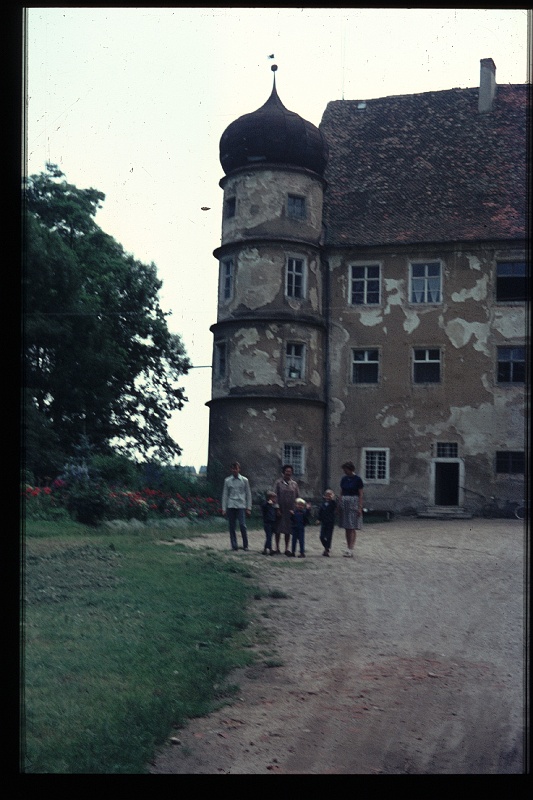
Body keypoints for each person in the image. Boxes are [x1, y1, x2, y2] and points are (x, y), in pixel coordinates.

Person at [221, 461, 252, 551]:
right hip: (231, 505)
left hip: (241, 505)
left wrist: (248, 507)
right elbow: (225, 495)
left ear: (239, 469)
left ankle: (245, 545)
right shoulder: (227, 481)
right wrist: (224, 508)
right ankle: (234, 545)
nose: (235, 470)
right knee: (232, 526)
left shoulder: (244, 480)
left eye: (236, 468)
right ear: (231, 469)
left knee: (242, 525)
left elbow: (248, 494)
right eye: (233, 468)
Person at [273, 464, 300, 555]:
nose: (288, 473)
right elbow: (274, 496)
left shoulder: (294, 484)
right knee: (278, 529)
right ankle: (277, 547)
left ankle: (287, 548)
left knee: (288, 530)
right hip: (280, 509)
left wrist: (296, 509)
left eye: (290, 472)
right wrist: (277, 508)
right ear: (283, 472)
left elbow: (297, 497)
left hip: (290, 510)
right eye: (286, 471)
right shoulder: (278, 483)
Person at [339, 461, 364, 558]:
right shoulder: (344, 479)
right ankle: (347, 546)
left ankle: (351, 548)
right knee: (346, 526)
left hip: (354, 501)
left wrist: (360, 507)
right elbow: (341, 492)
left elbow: (361, 494)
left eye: (346, 469)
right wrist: (339, 504)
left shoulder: (358, 479)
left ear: (350, 469)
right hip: (345, 502)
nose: (344, 471)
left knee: (352, 526)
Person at [316, 489, 337, 556]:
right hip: (324, 522)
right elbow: (320, 513)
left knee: (328, 536)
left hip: (330, 522)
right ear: (324, 496)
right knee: (322, 536)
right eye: (327, 496)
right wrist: (319, 519)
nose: (328, 497)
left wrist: (333, 498)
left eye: (329, 495)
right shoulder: (322, 504)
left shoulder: (332, 503)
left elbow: (335, 505)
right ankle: (326, 547)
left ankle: (327, 549)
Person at [261, 491, 278, 555]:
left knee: (270, 536)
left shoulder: (274, 505)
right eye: (273, 498)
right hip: (267, 522)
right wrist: (268, 504)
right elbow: (263, 508)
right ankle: (270, 549)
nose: (275, 500)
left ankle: (265, 549)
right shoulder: (265, 504)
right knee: (269, 536)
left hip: (273, 522)